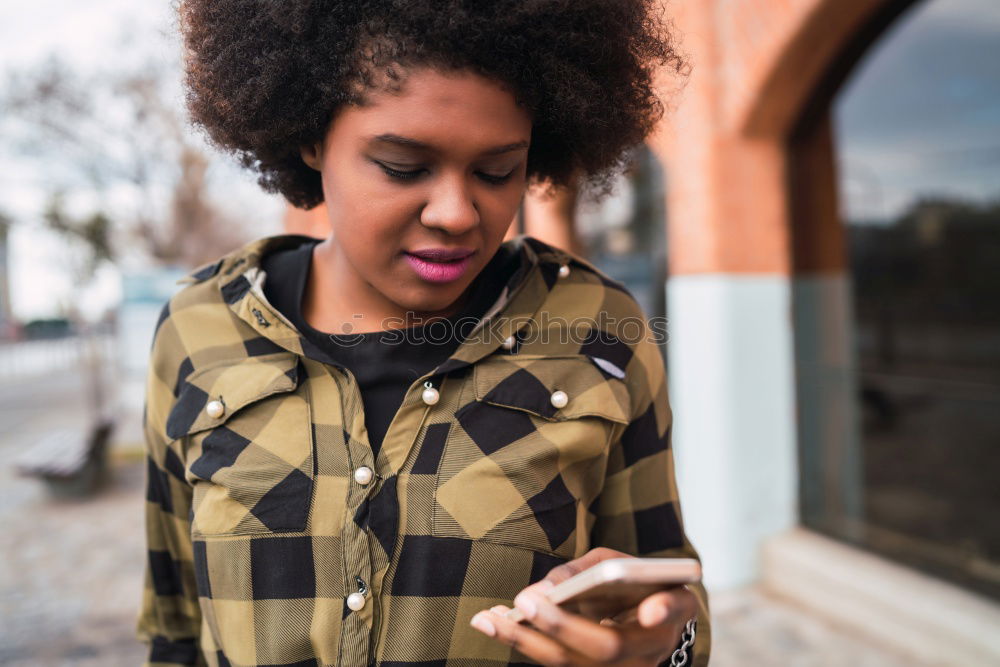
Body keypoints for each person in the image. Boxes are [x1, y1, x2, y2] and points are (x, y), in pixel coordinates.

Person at [137, 1, 709, 666]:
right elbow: (175, 625)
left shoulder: (598, 331)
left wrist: (657, 649)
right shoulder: (197, 328)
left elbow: (669, 599)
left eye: (498, 172)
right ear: (311, 136)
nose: (456, 214)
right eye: (404, 166)